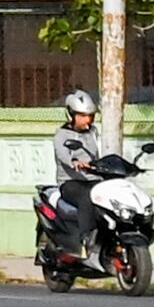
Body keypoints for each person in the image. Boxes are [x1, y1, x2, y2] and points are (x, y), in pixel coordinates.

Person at [49, 89, 104, 250]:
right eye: (83, 116)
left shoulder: (93, 132)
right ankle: (86, 236)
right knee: (87, 197)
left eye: (90, 115)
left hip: (93, 179)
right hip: (71, 182)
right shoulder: (62, 135)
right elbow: (63, 154)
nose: (88, 119)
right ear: (71, 115)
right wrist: (74, 162)